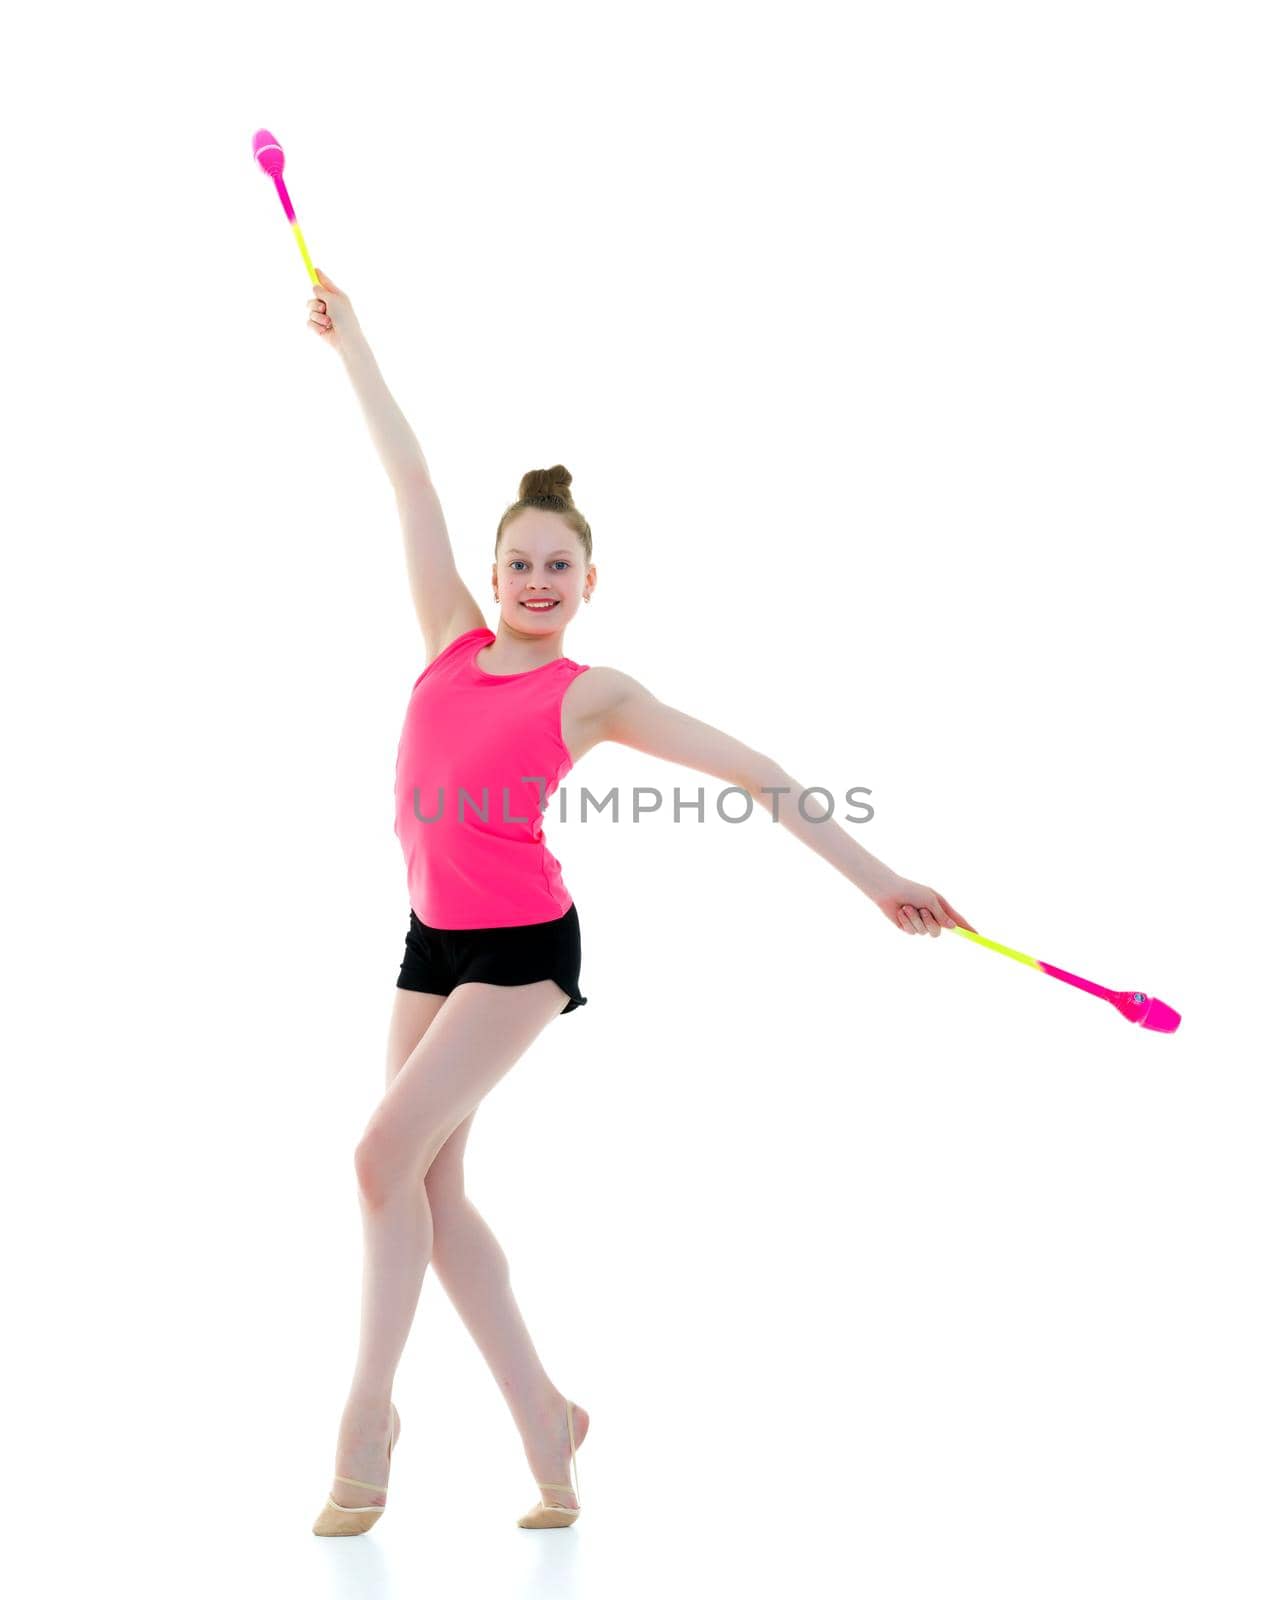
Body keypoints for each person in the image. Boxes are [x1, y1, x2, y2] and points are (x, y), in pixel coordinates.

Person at [303, 268, 976, 1536]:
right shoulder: (449, 636)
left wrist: (878, 879)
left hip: (518, 951)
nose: (534, 580)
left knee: (378, 1157)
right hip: (430, 940)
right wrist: (357, 346)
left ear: (588, 582)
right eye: (520, 562)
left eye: (558, 565)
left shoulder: (593, 692)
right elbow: (410, 481)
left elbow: (754, 773)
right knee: (428, 1196)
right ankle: (551, 1429)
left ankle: (369, 1413)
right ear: (494, 571)